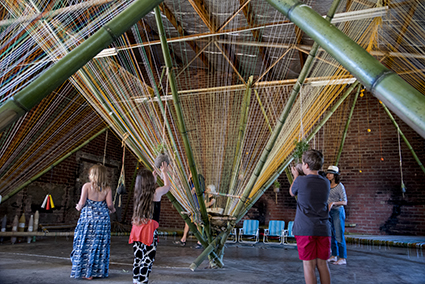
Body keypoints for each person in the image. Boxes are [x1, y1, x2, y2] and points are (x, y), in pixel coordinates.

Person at [289, 150, 331, 284]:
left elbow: (291, 192)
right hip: (323, 228)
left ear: (306, 165)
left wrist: (296, 175)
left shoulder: (300, 181)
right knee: (323, 265)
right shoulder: (326, 182)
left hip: (305, 229)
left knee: (309, 265)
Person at [71, 164, 116, 280]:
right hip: (102, 221)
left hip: (88, 220)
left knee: (85, 244)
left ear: (92, 175)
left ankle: (84, 272)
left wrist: (77, 207)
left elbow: (81, 203)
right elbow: (110, 205)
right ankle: (96, 272)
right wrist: (112, 210)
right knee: (99, 245)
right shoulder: (107, 189)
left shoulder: (86, 186)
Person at [129, 162, 170, 284]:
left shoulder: (138, 194)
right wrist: (164, 172)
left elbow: (149, 188)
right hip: (149, 229)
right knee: (148, 257)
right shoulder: (155, 193)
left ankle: (136, 279)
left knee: (138, 256)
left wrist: (153, 179)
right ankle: (143, 280)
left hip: (137, 227)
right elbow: (167, 187)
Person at [326, 165, 348, 265]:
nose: (328, 175)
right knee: (332, 234)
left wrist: (333, 203)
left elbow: (345, 201)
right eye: (327, 173)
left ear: (335, 175)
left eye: (330, 173)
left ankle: (343, 258)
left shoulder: (340, 186)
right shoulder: (327, 185)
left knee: (339, 234)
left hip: (337, 211)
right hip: (328, 212)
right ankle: (334, 255)